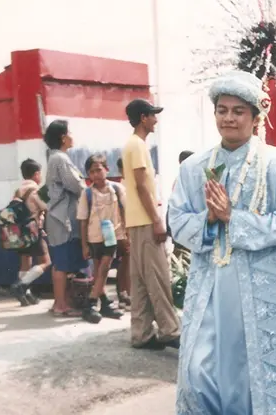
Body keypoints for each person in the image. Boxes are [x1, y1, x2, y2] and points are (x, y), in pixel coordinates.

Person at [170, 71, 276, 414]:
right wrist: (210, 219)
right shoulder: (195, 168)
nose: (228, 118)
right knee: (197, 372)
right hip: (211, 283)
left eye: (238, 111)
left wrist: (235, 218)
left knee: (255, 375)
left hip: (261, 286)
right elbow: (176, 221)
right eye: (222, 110)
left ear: (255, 117)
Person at [121, 99, 181, 349]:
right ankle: (170, 330)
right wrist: (157, 220)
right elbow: (141, 186)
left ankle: (142, 333)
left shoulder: (131, 145)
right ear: (143, 118)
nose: (156, 120)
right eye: (153, 116)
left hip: (135, 221)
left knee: (141, 281)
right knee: (158, 277)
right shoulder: (138, 146)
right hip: (146, 220)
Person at [43, 120, 89, 317]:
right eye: (69, 132)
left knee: (61, 263)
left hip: (59, 219)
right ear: (63, 137)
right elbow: (77, 186)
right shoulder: (60, 159)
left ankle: (59, 302)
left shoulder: (56, 158)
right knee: (62, 264)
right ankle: (61, 304)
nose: (72, 135)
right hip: (62, 220)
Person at [77, 154, 126, 323]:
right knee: (99, 271)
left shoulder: (118, 189)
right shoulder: (87, 194)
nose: (96, 174)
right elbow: (83, 221)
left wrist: (126, 234)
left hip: (112, 236)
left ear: (107, 169)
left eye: (99, 170)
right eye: (92, 172)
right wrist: (84, 245)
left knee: (105, 267)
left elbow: (125, 212)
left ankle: (90, 303)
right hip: (94, 237)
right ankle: (104, 304)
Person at [12, 158, 51, 306]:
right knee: (46, 262)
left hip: (19, 231)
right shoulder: (35, 190)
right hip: (34, 231)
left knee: (25, 263)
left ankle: (25, 296)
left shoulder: (18, 190)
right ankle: (20, 285)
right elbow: (46, 207)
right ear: (36, 174)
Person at [114, 158, 131, 310]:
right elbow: (125, 210)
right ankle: (123, 293)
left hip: (128, 229)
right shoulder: (122, 187)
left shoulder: (128, 185)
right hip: (125, 230)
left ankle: (126, 293)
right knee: (126, 261)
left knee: (128, 262)